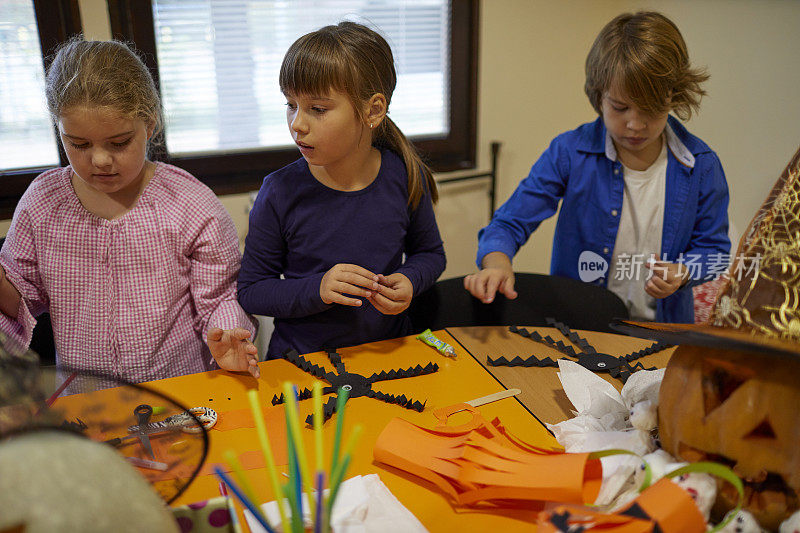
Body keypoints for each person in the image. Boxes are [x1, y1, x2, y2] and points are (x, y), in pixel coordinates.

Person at [0, 39, 260, 383]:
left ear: (149, 125)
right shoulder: (43, 203)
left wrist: (226, 334)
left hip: (179, 393)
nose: (100, 160)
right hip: (88, 401)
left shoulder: (190, 203)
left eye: (119, 143)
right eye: (78, 144)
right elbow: (19, 298)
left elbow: (220, 297)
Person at [464, 11, 730, 323]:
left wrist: (683, 272)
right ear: (599, 96)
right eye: (619, 107)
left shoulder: (701, 165)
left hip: (664, 329)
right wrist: (497, 263)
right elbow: (509, 223)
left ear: (674, 97)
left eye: (652, 109)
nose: (634, 123)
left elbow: (715, 251)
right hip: (582, 322)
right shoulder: (569, 152)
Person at [238, 21, 446, 358]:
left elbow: (431, 255)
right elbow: (252, 290)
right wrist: (318, 288)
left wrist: (409, 280)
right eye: (291, 105)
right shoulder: (279, 190)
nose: (297, 124)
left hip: (390, 355)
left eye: (317, 109)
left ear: (372, 110)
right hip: (302, 364)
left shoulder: (406, 174)